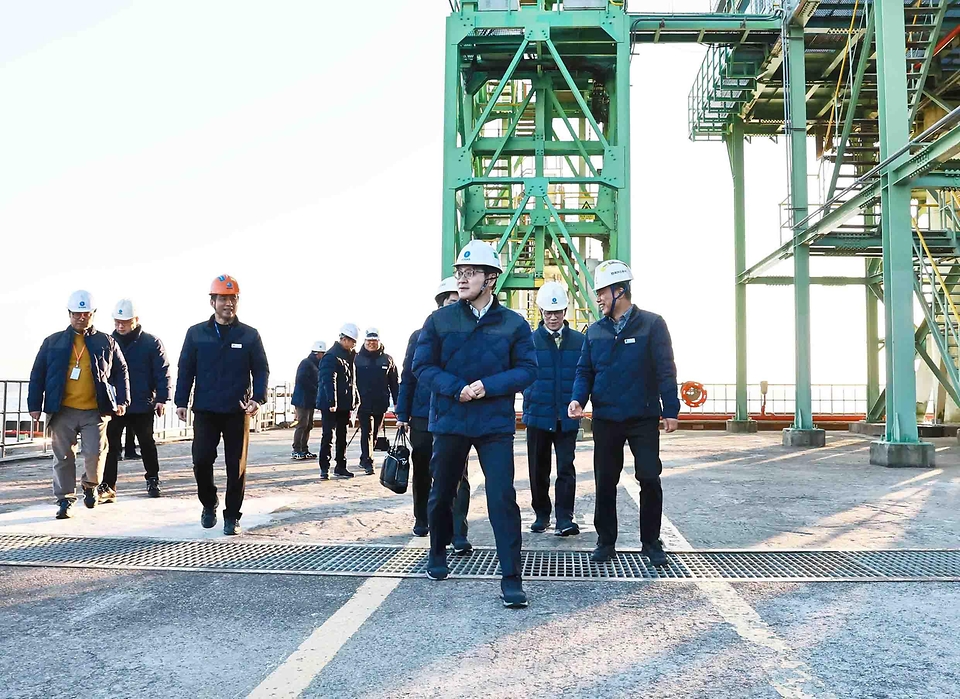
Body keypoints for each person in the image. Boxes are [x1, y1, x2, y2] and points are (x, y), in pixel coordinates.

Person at [413, 240, 536, 608]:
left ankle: (511, 577)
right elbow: (422, 366)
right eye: (460, 273)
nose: (462, 280)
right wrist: (456, 390)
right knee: (443, 492)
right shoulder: (439, 321)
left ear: (491, 278)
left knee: (502, 497)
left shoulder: (514, 324)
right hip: (451, 419)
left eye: (470, 273)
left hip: (493, 423)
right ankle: (437, 553)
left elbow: (528, 370)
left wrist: (488, 387)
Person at [569, 260, 680, 566]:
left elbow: (665, 370)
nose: (599, 299)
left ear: (620, 291)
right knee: (605, 481)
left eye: (602, 292)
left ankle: (651, 542)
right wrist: (578, 399)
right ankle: (606, 542)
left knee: (649, 477)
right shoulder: (594, 332)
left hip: (642, 417)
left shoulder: (652, 324)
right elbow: (584, 371)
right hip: (606, 419)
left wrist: (670, 409)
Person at [175, 275, 270, 536]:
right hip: (205, 409)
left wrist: (257, 398)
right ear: (212, 301)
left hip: (237, 411)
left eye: (232, 298)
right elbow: (186, 369)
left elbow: (261, 369)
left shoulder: (249, 335)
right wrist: (181, 401)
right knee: (201, 461)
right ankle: (209, 503)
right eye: (223, 298)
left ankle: (232, 516)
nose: (228, 303)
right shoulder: (196, 334)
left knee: (235, 467)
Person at [28, 290, 130, 519]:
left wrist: (122, 400)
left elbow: (121, 370)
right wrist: (35, 404)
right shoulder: (53, 342)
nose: (81, 318)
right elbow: (38, 373)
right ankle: (65, 499)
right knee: (63, 456)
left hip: (95, 410)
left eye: (85, 314)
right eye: (76, 314)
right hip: (62, 409)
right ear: (69, 314)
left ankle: (90, 485)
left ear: (93, 314)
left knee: (95, 453)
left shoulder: (106, 341)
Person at [396, 277, 472, 552]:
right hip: (422, 414)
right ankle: (422, 518)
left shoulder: (468, 334)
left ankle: (459, 530)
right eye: (451, 301)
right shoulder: (419, 336)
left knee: (459, 473)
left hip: (455, 411)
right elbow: (408, 376)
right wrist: (402, 413)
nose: (455, 306)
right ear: (441, 304)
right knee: (423, 467)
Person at [521, 281, 585, 537]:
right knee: (538, 469)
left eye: (557, 312)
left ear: (565, 311)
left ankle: (564, 518)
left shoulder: (580, 341)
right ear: (541, 312)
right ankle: (542, 514)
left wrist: (580, 401)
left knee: (566, 468)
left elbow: (586, 374)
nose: (553, 317)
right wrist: (530, 393)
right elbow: (518, 372)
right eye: (548, 312)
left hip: (567, 417)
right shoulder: (529, 341)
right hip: (538, 415)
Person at [98, 299, 171, 502]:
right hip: (114, 405)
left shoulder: (151, 342)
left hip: (142, 403)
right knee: (110, 445)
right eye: (117, 321)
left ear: (135, 320)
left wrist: (162, 399)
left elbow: (162, 372)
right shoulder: (106, 342)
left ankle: (153, 478)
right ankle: (107, 485)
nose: (120, 326)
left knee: (147, 442)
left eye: (125, 321)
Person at [316, 323, 360, 480]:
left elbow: (351, 381)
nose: (355, 344)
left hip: (343, 404)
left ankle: (341, 466)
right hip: (331, 404)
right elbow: (328, 380)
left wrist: (355, 398)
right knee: (328, 435)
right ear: (345, 339)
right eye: (353, 341)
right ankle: (324, 468)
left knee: (342, 435)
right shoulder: (331, 356)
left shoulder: (349, 356)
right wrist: (331, 401)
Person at [354, 328, 399, 475]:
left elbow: (394, 383)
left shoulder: (388, 359)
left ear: (379, 342)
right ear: (364, 342)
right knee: (366, 431)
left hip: (381, 402)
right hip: (362, 402)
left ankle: (364, 457)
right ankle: (368, 462)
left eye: (374, 341)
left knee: (374, 433)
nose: (371, 343)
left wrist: (398, 403)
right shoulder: (356, 359)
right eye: (369, 341)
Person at [291, 341, 326, 460]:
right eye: (323, 353)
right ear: (318, 353)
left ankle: (304, 449)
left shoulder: (315, 365)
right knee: (302, 424)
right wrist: (316, 388)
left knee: (309, 425)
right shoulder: (306, 363)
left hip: (309, 400)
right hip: (302, 400)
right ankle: (296, 449)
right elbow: (301, 380)